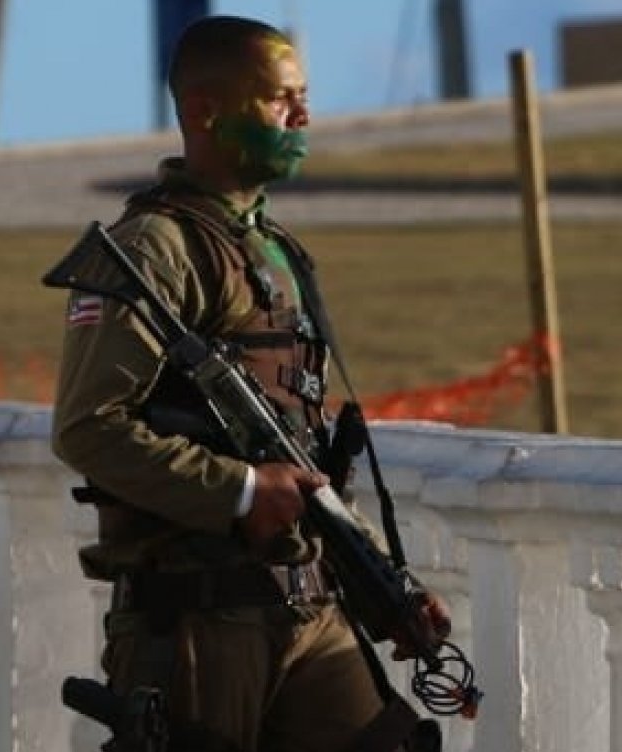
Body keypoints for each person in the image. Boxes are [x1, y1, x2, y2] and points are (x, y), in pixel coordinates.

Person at [50, 15, 451, 752]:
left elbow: (302, 451)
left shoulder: (277, 250)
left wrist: (383, 584)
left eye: (304, 98)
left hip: (308, 607)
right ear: (205, 111)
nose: (303, 117)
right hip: (197, 622)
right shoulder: (152, 252)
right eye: (279, 100)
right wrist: (238, 490)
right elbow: (88, 427)